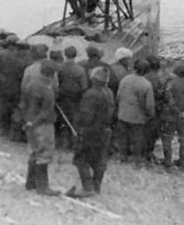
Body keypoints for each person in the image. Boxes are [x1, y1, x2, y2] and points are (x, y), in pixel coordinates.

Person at [70, 65, 114, 197]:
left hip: (91, 130)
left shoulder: (91, 94)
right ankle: (96, 186)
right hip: (105, 131)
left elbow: (86, 116)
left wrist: (79, 128)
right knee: (99, 160)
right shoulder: (109, 93)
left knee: (80, 158)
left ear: (94, 78)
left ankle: (87, 187)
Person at [21, 59, 59, 196]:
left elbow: (24, 102)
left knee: (33, 151)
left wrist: (28, 120)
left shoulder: (32, 83)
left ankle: (30, 182)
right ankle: (42, 187)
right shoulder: (47, 89)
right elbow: (46, 110)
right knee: (44, 153)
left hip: (29, 121)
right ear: (52, 74)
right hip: (42, 124)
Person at [115, 58, 155, 165]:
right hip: (138, 117)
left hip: (123, 113)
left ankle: (122, 157)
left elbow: (118, 96)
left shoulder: (125, 79)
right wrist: (150, 115)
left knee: (123, 137)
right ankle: (136, 160)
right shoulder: (146, 84)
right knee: (137, 139)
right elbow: (149, 105)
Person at [57, 45, 88, 150]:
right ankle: (74, 144)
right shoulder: (80, 70)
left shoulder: (60, 68)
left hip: (62, 98)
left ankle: (64, 143)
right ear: (76, 55)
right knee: (74, 121)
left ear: (65, 54)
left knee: (63, 121)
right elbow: (84, 86)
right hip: (75, 99)